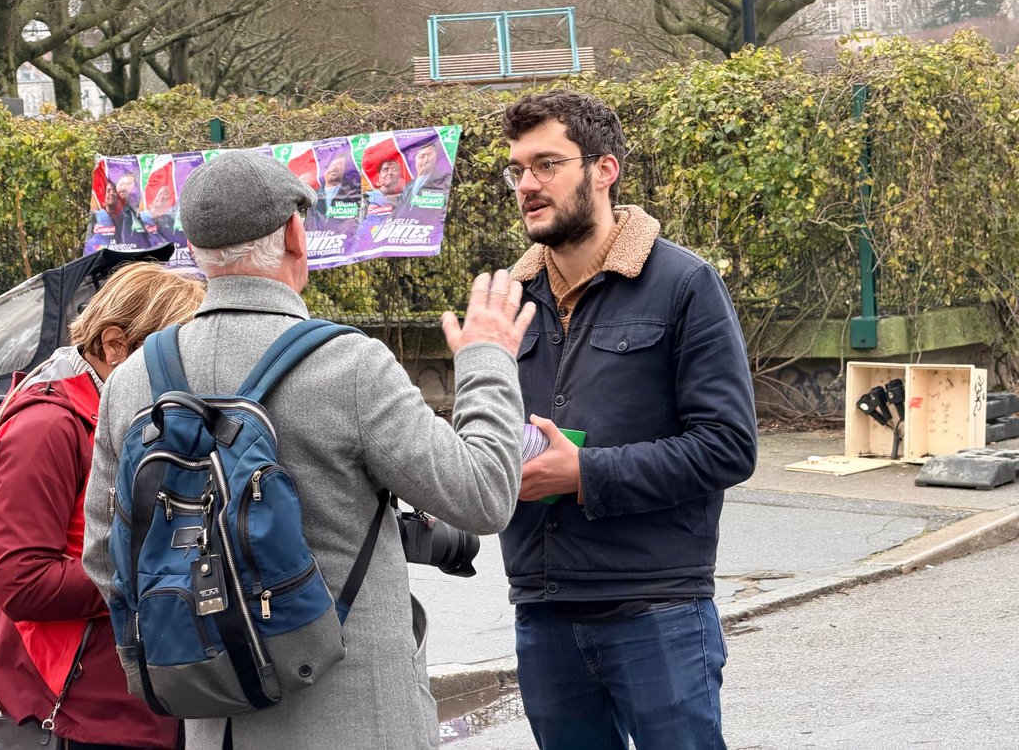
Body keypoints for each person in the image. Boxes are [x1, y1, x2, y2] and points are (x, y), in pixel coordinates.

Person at [82, 149, 535, 750]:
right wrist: (487, 358)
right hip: (359, 721)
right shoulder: (348, 365)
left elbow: (106, 561)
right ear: (296, 234)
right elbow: (483, 495)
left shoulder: (133, 381)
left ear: (194, 249)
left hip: (213, 721)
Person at [498, 90, 758, 750]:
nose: (528, 184)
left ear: (603, 169)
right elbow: (486, 439)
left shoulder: (683, 285)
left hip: (658, 610)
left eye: (547, 164)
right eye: (518, 169)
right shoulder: (506, 301)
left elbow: (728, 446)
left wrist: (585, 474)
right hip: (543, 609)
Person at [0, 261, 205, 750]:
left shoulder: (125, 410)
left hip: (137, 699)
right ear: (114, 345)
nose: (188, 375)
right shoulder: (47, 425)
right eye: (173, 358)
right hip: (79, 707)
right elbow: (20, 581)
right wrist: (162, 572)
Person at [397, 142, 451, 212]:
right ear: (415, 160)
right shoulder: (408, 187)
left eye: (429, 155)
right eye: (422, 156)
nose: (425, 160)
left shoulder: (441, 181)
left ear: (435, 158)